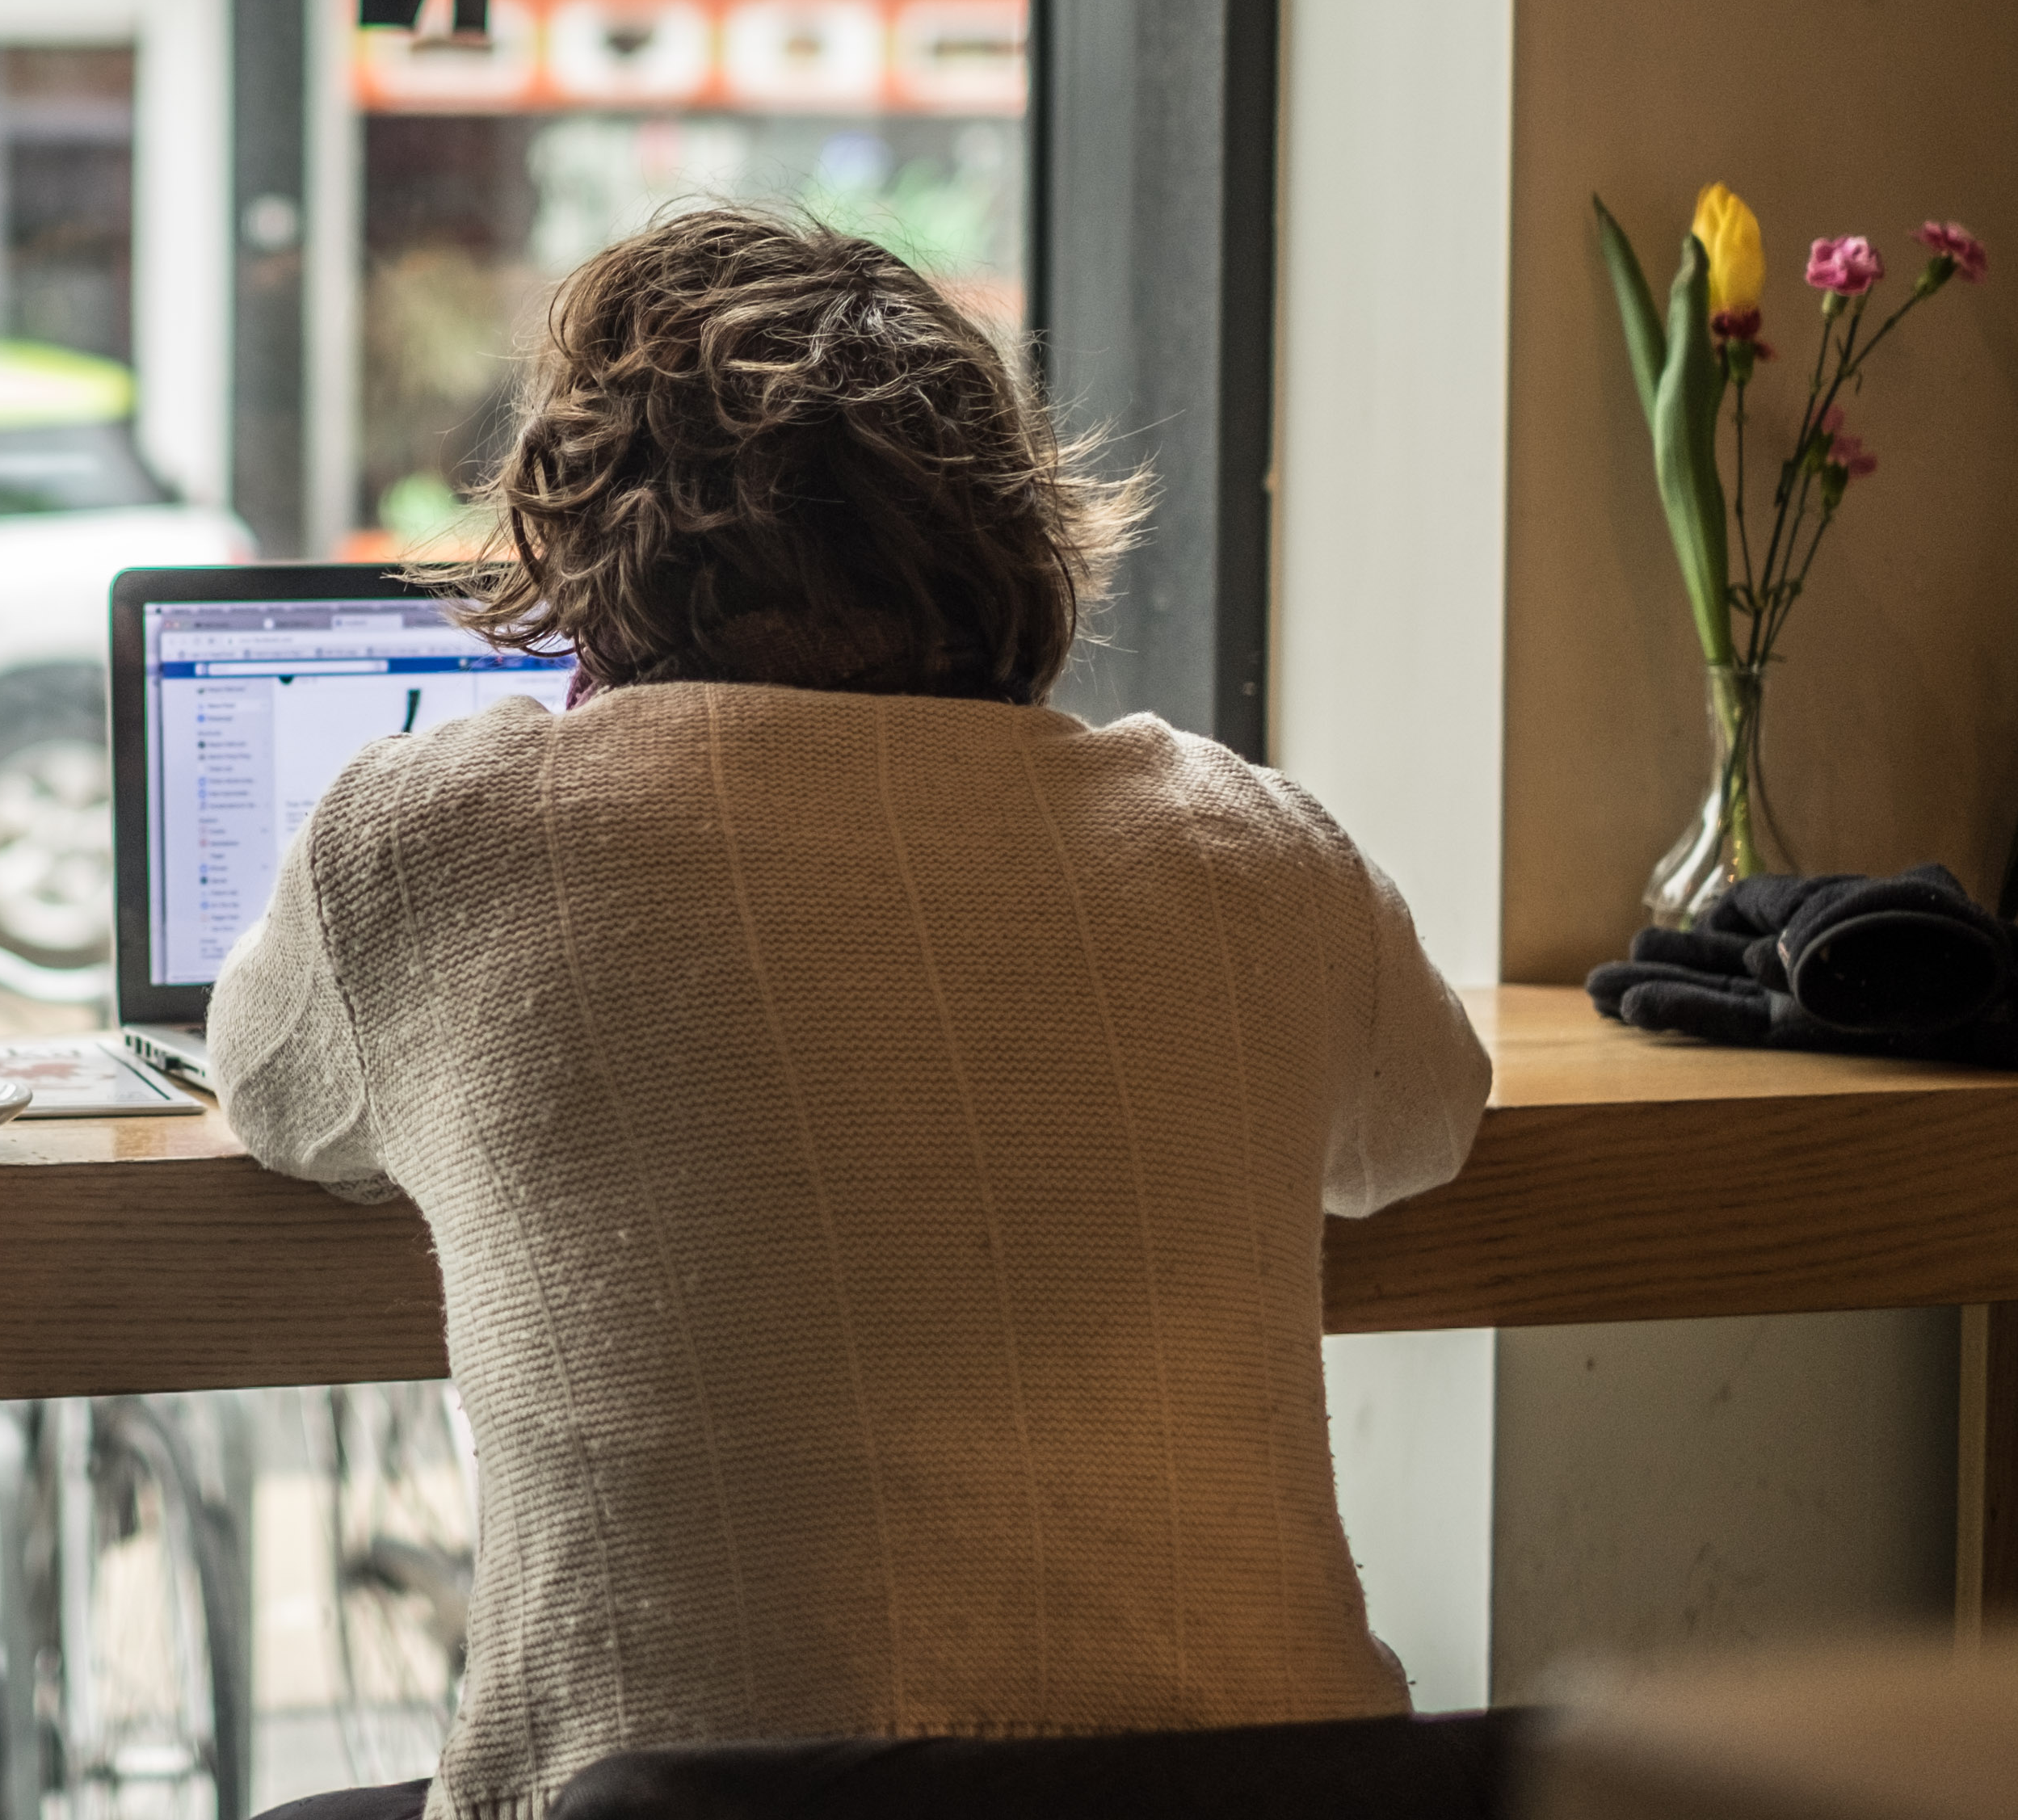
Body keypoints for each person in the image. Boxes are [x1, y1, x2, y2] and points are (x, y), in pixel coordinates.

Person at [216, 207, 1490, 1820]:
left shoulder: (433, 834)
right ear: (1017, 546)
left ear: (582, 551)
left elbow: (274, 1096)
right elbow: (1419, 1132)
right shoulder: (1244, 838)